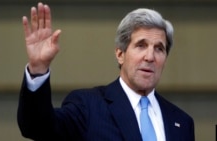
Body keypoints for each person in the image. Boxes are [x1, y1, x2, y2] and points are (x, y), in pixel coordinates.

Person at [17, 2, 195, 141]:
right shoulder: (88, 106)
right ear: (120, 54)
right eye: (141, 46)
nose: (150, 57)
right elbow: (37, 127)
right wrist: (38, 68)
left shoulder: (181, 121)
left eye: (159, 49)